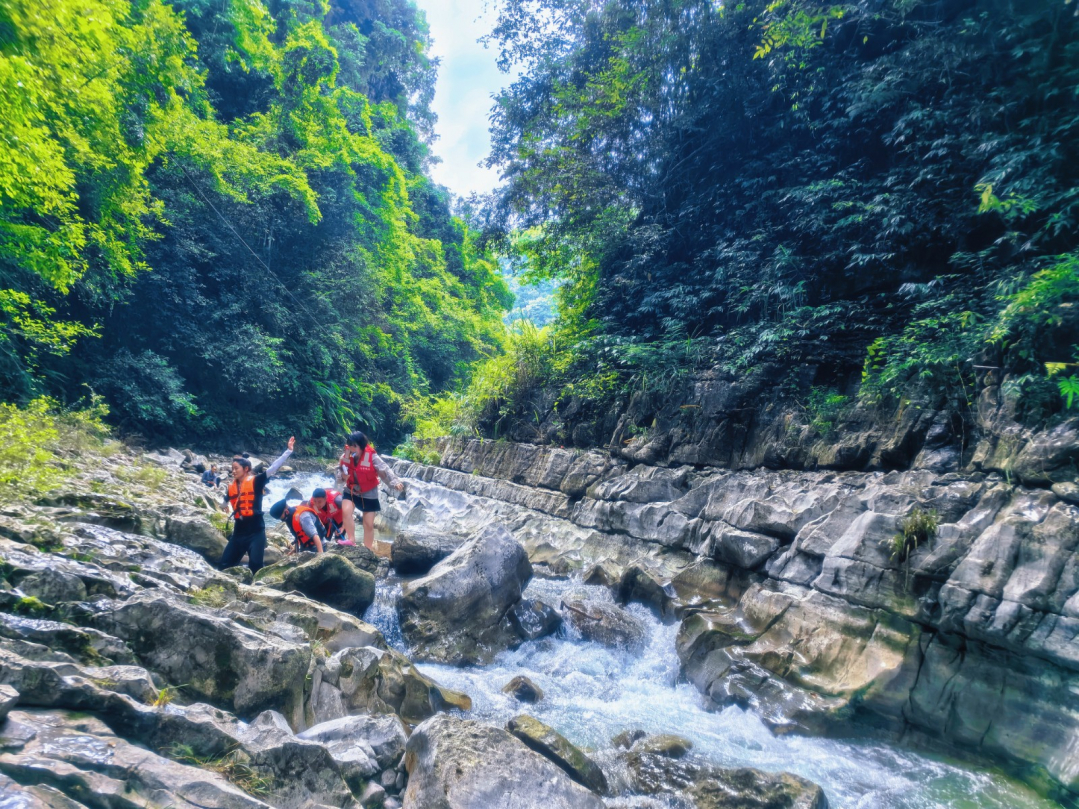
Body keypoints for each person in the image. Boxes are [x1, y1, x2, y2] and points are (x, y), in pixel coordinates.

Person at [219, 437, 295, 573]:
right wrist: (224, 506)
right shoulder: (231, 487)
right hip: (238, 533)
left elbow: (273, 468)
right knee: (224, 565)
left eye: (236, 468)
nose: (233, 471)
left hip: (256, 532)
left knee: (255, 566)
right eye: (232, 469)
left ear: (246, 469)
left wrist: (288, 451)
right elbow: (224, 502)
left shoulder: (256, 481)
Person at [339, 431, 403, 550]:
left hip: (368, 492)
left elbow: (385, 469)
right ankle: (351, 539)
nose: (351, 448)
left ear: (361, 446)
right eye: (350, 445)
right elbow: (341, 471)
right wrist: (342, 476)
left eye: (354, 446)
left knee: (368, 524)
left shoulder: (372, 457)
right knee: (346, 511)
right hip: (351, 489)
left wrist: (395, 482)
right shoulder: (346, 456)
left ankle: (367, 549)